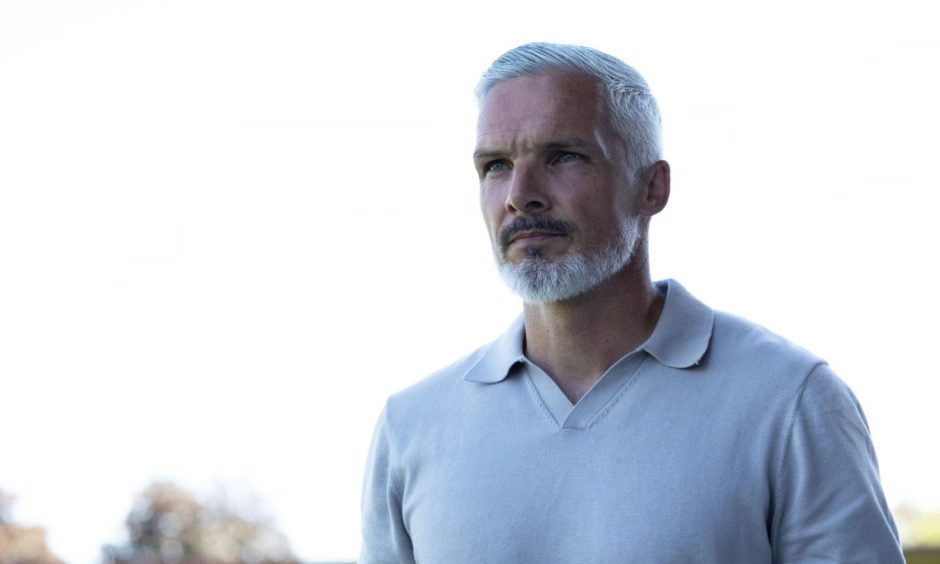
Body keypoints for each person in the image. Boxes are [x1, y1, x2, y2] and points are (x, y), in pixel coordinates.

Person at [360, 42, 904, 563]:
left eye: (564, 156)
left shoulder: (790, 401)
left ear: (652, 187)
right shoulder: (412, 426)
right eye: (495, 165)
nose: (519, 194)